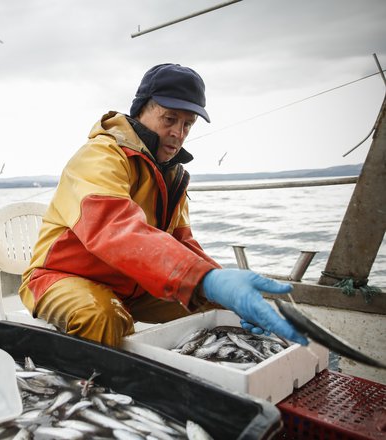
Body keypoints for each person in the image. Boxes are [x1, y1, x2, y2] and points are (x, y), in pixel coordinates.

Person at [18, 63, 308, 348]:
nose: (178, 133)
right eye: (169, 119)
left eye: (187, 124)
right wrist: (206, 279)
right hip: (61, 276)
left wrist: (221, 286)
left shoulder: (173, 173)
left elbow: (183, 242)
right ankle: (95, 391)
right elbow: (113, 229)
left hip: (132, 284)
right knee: (103, 316)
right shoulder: (99, 156)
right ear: (140, 110)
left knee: (213, 306)